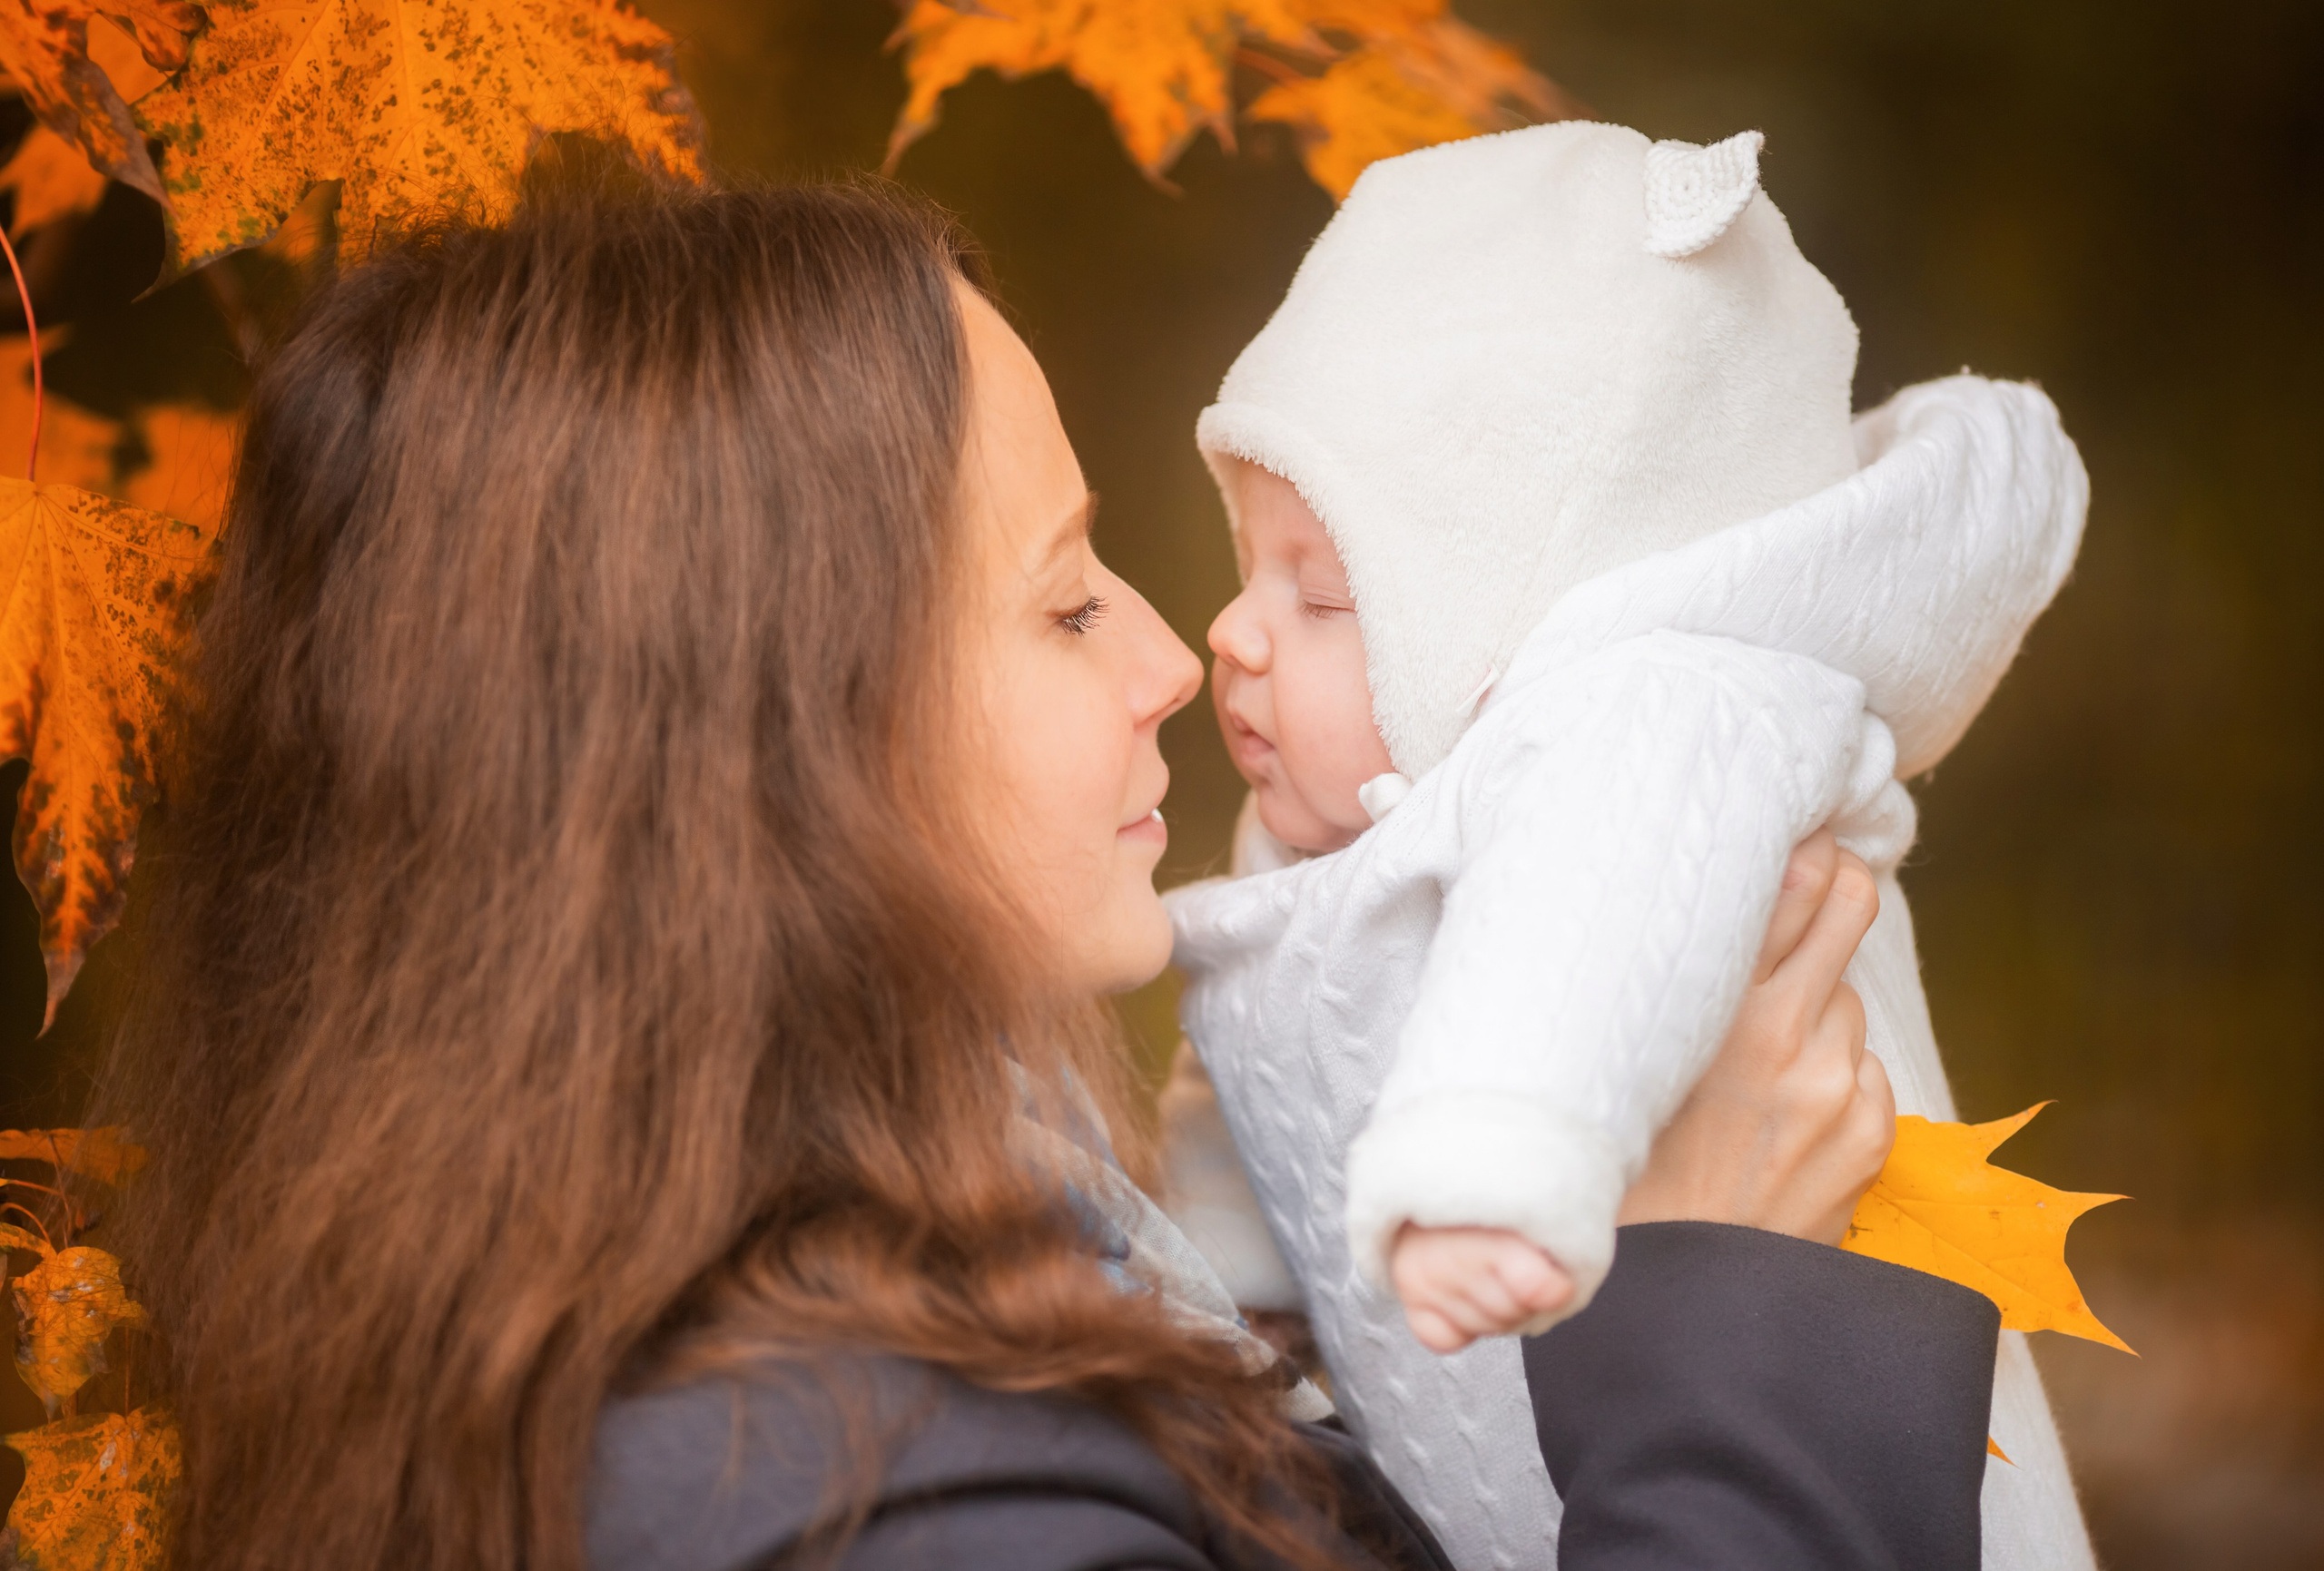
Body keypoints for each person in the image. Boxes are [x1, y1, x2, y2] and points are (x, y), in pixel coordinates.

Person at [92, 172, 1994, 1571]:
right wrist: (1723, 1301)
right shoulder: (881, 1510)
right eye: (1067, 599)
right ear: (760, 745)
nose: (1177, 659)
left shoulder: (734, 1368)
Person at [1165, 121, 2094, 1569]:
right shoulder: (1325, 835)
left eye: (1323, 595)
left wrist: (1496, 1153)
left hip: (1815, 1471)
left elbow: (1594, 923)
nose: (1232, 633)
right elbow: (1256, 1031)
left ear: (1524, 621)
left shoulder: (1654, 717)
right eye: (1247, 571)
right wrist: (1235, 1279)